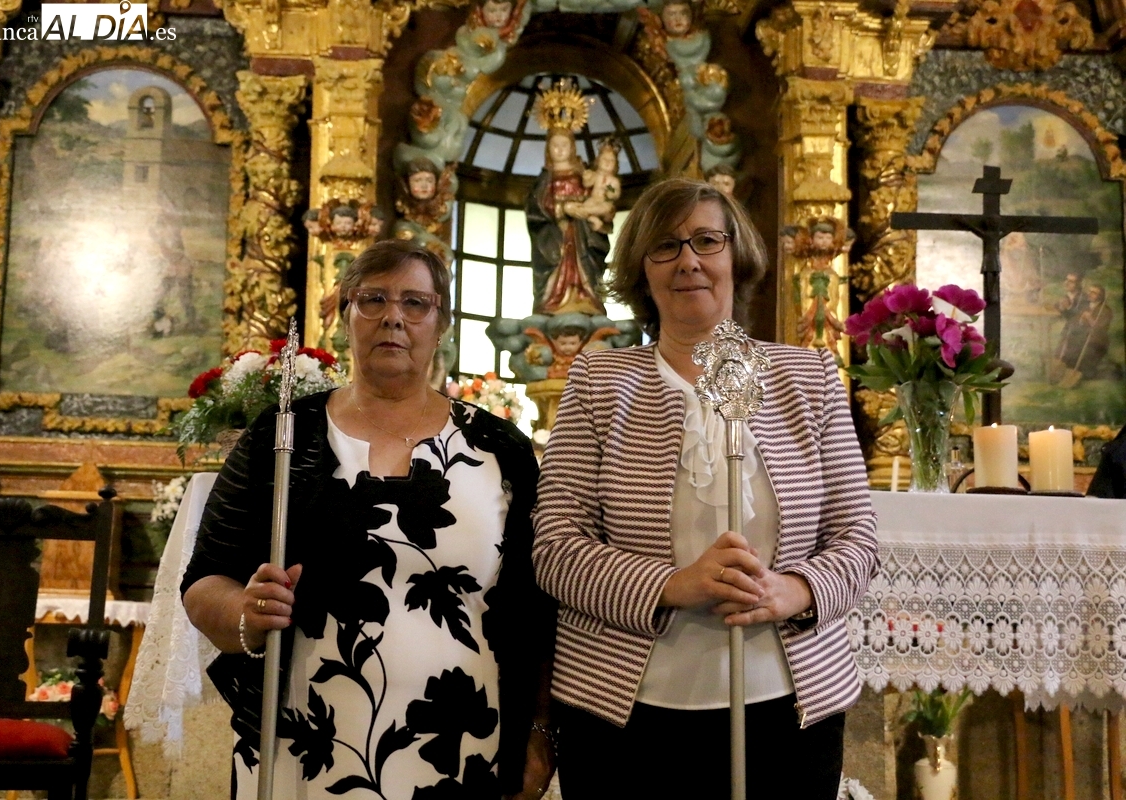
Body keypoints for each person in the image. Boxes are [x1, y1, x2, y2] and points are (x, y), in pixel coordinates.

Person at [532, 178, 877, 798]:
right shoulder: (599, 380)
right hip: (622, 710)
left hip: (788, 706)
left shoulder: (810, 377)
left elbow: (857, 537)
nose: (688, 260)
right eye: (665, 246)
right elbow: (556, 548)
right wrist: (673, 585)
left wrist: (792, 590)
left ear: (734, 255)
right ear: (642, 269)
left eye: (706, 241)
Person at [182, 239, 556, 800]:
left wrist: (539, 734)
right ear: (346, 316)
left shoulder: (500, 448)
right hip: (301, 742)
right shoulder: (282, 433)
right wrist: (247, 612)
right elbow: (205, 579)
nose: (393, 318)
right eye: (372, 299)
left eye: (415, 303)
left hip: (463, 740)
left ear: (442, 321)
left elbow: (537, 606)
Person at [526, 127, 611, 316]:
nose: (559, 149)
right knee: (557, 262)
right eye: (555, 145)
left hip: (581, 232)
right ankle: (553, 300)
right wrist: (562, 209)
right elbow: (535, 206)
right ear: (548, 148)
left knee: (584, 266)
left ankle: (585, 298)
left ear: (572, 147)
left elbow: (599, 197)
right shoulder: (544, 179)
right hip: (555, 236)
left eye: (564, 145)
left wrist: (593, 211)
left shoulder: (584, 174)